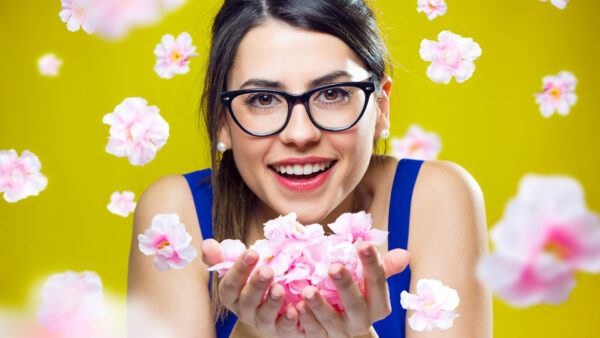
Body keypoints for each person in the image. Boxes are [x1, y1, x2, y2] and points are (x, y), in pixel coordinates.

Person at [127, 0, 493, 337]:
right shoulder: (175, 216)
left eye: (332, 94)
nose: (300, 134)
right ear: (222, 120)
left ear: (381, 108)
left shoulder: (438, 198)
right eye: (263, 99)